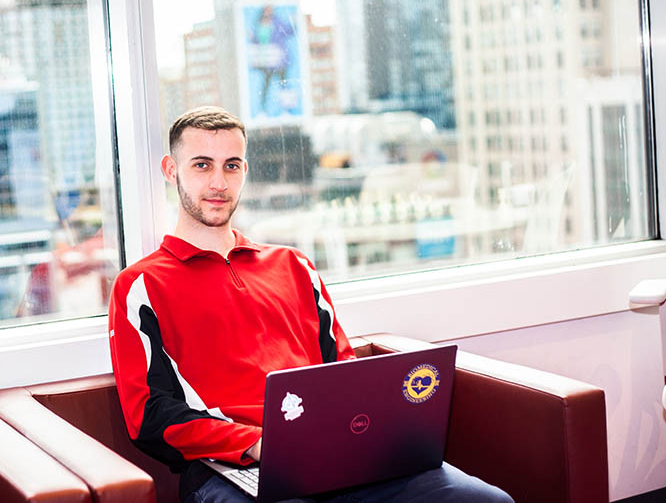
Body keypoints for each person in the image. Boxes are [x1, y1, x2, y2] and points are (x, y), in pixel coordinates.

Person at [108, 107, 513, 502]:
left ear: (244, 172)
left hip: (337, 455)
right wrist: (257, 443)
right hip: (231, 468)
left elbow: (343, 373)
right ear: (171, 170)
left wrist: (376, 431)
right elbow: (148, 416)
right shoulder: (141, 285)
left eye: (231, 165)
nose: (218, 182)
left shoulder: (293, 266)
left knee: (485, 499)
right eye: (201, 165)